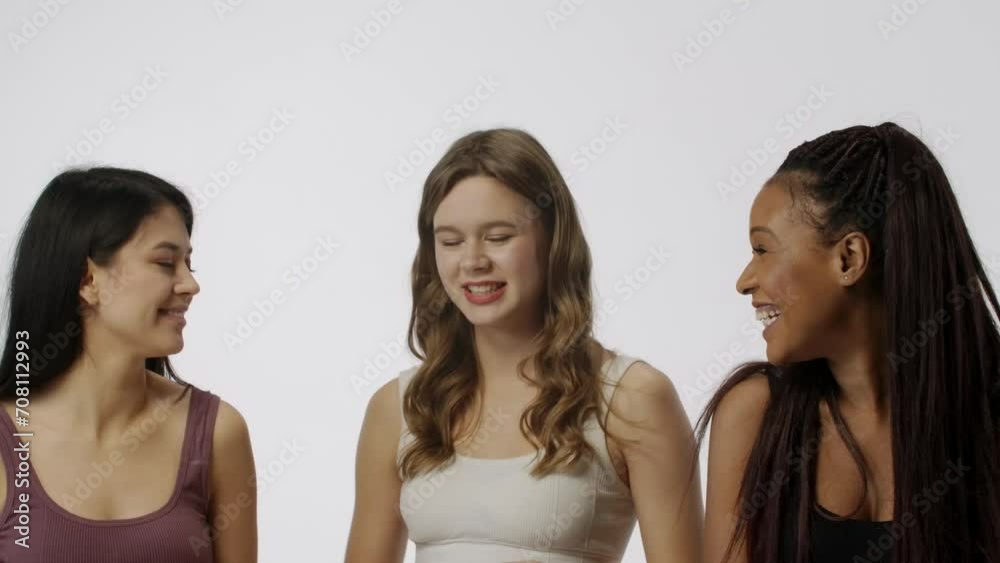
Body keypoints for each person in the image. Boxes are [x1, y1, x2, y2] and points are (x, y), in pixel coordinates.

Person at [345, 128, 702, 562]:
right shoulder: (400, 408)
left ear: (553, 241)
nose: (473, 261)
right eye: (451, 241)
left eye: (498, 237)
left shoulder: (632, 398)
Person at [699, 123, 1000, 563]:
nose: (745, 281)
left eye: (762, 250)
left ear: (849, 258)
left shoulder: (988, 413)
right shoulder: (754, 417)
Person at [0, 167, 257, 562]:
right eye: (165, 262)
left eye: (189, 263)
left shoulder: (218, 433)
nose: (191, 284)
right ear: (88, 279)